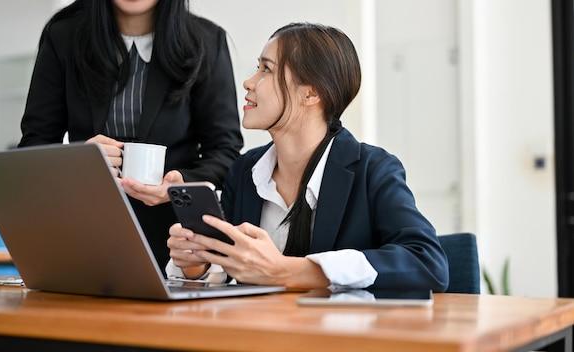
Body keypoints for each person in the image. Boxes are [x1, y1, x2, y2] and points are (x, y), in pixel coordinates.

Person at [166, 22, 449, 291]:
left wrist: (288, 271)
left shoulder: (373, 170)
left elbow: (428, 262)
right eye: (257, 67)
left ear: (311, 93)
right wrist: (198, 264)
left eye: (267, 69)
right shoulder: (244, 171)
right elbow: (229, 272)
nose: (249, 82)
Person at [17, 0, 243, 272]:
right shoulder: (64, 34)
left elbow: (226, 152)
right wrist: (80, 159)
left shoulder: (205, 40)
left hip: (174, 244)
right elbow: (34, 145)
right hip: (82, 232)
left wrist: (177, 184)